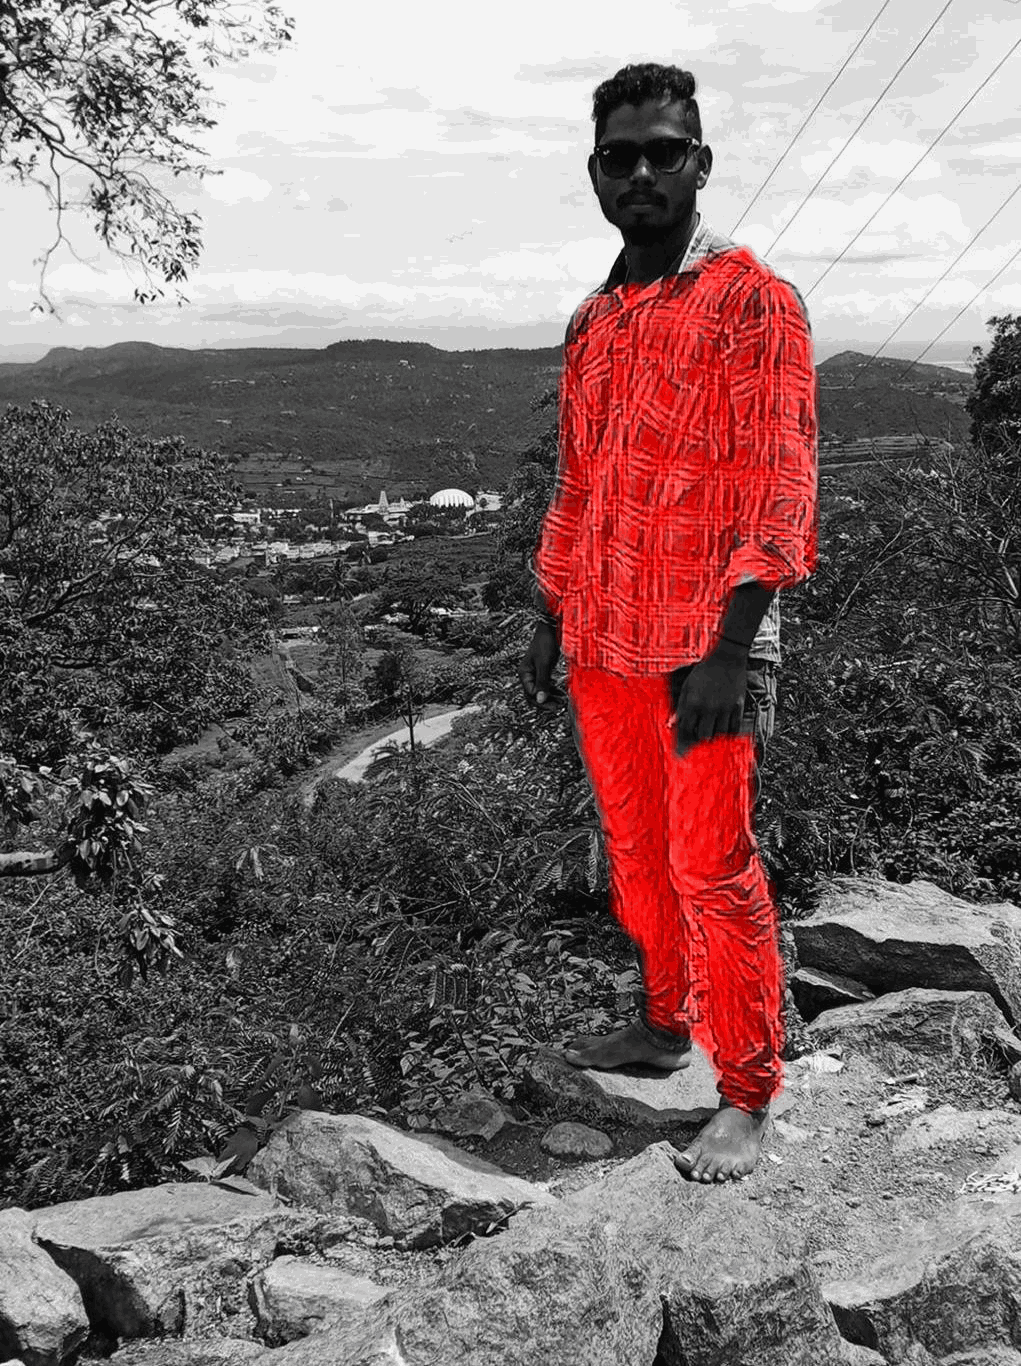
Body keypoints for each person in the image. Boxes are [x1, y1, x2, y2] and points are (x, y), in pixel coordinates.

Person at [518, 63, 818, 1184]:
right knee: (637, 856)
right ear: (595, 173)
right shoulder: (593, 323)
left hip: (706, 653)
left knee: (713, 867)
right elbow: (577, 484)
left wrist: (731, 651)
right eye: (619, 156)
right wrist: (548, 613)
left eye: (663, 152)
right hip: (602, 639)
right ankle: (660, 1023)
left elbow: (780, 487)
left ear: (700, 164)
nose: (640, 172)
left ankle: (745, 1089)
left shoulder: (752, 299)